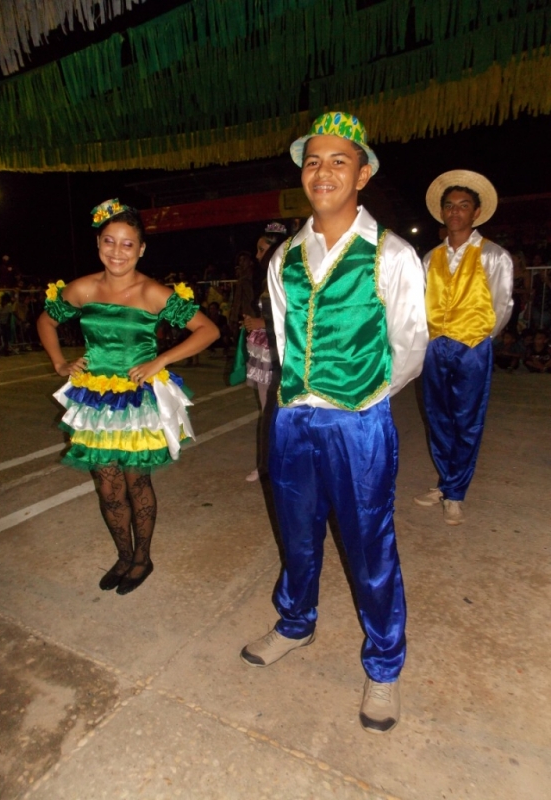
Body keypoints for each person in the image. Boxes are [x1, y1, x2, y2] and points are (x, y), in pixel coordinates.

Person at [240, 112, 429, 734]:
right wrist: (298, 399)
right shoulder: (286, 256)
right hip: (292, 419)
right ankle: (296, 622)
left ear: (363, 174)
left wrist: (363, 397)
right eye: (313, 161)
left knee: (370, 546)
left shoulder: (391, 253)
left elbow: (409, 345)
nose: (323, 172)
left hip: (358, 424)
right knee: (296, 534)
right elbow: (286, 336)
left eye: (338, 161)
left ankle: (384, 664)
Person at [37, 199, 218, 595]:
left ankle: (142, 558)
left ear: (141, 249)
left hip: (137, 400)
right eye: (109, 241)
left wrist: (160, 361)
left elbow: (208, 330)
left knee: (137, 482)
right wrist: (60, 363)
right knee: (108, 486)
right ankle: (123, 556)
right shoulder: (83, 288)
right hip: (95, 401)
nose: (117, 251)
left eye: (127, 244)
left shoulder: (152, 292)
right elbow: (46, 321)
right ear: (98, 243)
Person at [414, 171, 513, 525]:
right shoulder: (430, 258)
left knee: (467, 420)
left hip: (472, 346)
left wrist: (479, 339)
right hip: (435, 346)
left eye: (463, 205)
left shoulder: (494, 255)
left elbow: (502, 305)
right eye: (450, 205)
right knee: (438, 417)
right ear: (442, 212)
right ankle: (446, 481)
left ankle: (455, 493)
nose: (455, 211)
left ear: (476, 212)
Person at [242, 222, 288, 481]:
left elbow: (301, 317)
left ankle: (280, 464)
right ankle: (266, 463)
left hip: (285, 351)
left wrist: (263, 322)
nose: (257, 255)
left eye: (262, 250)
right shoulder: (266, 277)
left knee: (285, 409)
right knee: (267, 408)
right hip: (265, 349)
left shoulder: (292, 275)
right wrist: (255, 321)